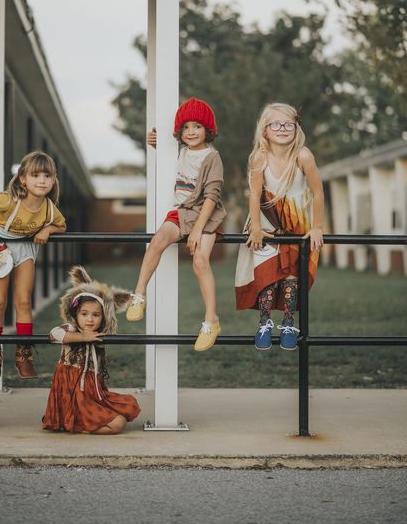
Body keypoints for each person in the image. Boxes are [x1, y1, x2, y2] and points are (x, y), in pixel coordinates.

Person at [126, 97, 226, 352]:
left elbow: (212, 197)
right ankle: (139, 294)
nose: (191, 132)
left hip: (205, 215)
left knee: (200, 260)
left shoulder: (212, 157)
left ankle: (211, 320)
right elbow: (161, 142)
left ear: (208, 129)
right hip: (181, 213)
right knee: (157, 241)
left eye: (198, 126)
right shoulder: (180, 150)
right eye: (186, 127)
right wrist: (153, 138)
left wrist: (195, 232)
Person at [235, 103, 324, 350]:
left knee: (291, 274)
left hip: (297, 223)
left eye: (289, 124)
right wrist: (254, 227)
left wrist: (317, 227)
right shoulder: (259, 157)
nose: (282, 129)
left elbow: (318, 192)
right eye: (276, 124)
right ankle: (264, 322)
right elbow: (254, 195)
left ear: (296, 129)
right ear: (265, 130)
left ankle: (287, 322)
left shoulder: (303, 156)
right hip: (265, 223)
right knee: (267, 273)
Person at [0, 151, 66, 378]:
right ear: (23, 178)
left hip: (25, 249)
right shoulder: (9, 199)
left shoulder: (48, 208)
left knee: (24, 301)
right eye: (36, 175)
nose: (42, 180)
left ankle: (23, 355)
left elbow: (62, 225)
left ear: (53, 179)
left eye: (48, 175)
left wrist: (48, 229)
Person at [42, 266, 141, 434]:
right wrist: (83, 337)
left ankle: (81, 421)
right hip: (72, 389)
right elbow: (53, 335)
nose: (89, 319)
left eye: (96, 315)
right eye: (84, 314)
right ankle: (79, 425)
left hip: (92, 390)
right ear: (76, 314)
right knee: (117, 424)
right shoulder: (71, 328)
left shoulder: (100, 334)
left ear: (103, 317)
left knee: (129, 406)